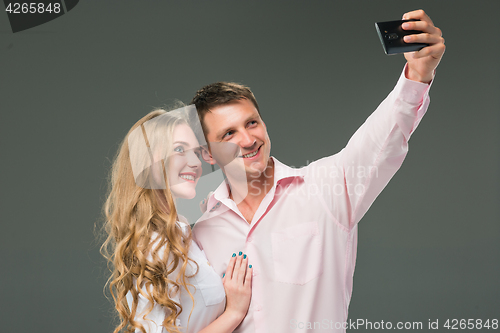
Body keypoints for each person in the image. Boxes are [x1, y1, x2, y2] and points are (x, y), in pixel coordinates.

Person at [190, 9, 445, 333]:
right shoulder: (200, 229)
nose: (248, 139)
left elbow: (382, 138)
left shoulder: (327, 188)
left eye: (252, 122)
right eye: (228, 134)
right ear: (208, 154)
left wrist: (417, 75)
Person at [100, 107, 253, 333]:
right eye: (180, 150)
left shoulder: (178, 232)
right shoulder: (155, 245)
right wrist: (234, 313)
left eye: (196, 152)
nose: (195, 163)